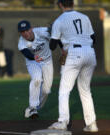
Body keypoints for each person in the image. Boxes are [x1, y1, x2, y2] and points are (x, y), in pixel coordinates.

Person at [48, 0, 98, 132]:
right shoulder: (85, 17)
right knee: (85, 90)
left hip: (73, 53)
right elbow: (94, 39)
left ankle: (62, 122)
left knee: (64, 90)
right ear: (73, 4)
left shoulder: (59, 20)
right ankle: (92, 124)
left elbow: (52, 46)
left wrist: (54, 35)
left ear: (60, 5)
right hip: (90, 53)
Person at [17, 20, 53, 119]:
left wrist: (55, 30)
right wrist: (34, 57)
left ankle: (33, 108)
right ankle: (33, 107)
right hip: (33, 61)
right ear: (20, 33)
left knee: (46, 90)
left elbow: (54, 32)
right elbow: (26, 54)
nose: (25, 33)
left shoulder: (41, 31)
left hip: (47, 61)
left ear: (31, 28)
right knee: (37, 79)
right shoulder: (21, 42)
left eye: (27, 30)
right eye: (22, 31)